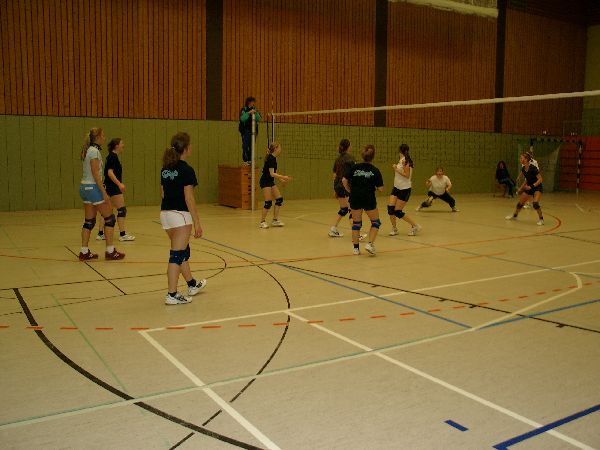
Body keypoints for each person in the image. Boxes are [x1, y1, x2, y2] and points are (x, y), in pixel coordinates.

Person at [160, 132, 207, 305]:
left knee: (182, 251)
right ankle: (172, 295)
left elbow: (163, 193)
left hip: (165, 215)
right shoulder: (187, 170)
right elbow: (189, 198)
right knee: (177, 256)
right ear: (186, 148)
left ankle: (192, 284)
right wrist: (197, 223)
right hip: (180, 216)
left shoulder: (165, 169)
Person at [78, 128, 125, 261]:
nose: (104, 137)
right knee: (109, 218)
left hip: (84, 187)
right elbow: (95, 173)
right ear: (97, 137)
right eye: (102, 135)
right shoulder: (94, 151)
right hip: (93, 188)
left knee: (89, 221)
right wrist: (104, 192)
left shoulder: (88, 150)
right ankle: (110, 251)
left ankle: (84, 251)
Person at [342, 145, 384, 256]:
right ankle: (370, 244)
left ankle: (356, 249)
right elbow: (381, 189)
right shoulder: (375, 170)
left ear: (362, 156)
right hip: (368, 198)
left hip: (355, 197)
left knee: (356, 223)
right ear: (373, 156)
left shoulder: (355, 167)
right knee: (375, 222)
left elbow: (344, 180)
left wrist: (349, 190)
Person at [96, 138, 135, 241]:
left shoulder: (111, 156)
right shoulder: (113, 157)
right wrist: (119, 184)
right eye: (122, 143)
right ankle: (122, 235)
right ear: (116, 146)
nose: (123, 145)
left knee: (107, 210)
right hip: (113, 187)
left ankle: (100, 233)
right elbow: (110, 172)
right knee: (122, 210)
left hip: (108, 186)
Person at [388, 144, 421, 237]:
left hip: (404, 189)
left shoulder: (406, 161)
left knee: (397, 211)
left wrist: (396, 169)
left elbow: (407, 175)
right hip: (396, 187)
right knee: (390, 209)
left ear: (400, 151)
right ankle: (394, 229)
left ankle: (415, 226)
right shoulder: (401, 160)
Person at [505, 152, 545, 225]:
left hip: (537, 187)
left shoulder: (533, 168)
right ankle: (514, 216)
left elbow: (540, 179)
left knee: (535, 204)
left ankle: (541, 219)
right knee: (520, 204)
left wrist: (531, 186)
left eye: (521, 158)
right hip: (529, 188)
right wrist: (521, 188)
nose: (520, 159)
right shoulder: (523, 169)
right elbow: (527, 180)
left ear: (526, 159)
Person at [259, 142, 292, 228]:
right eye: (279, 148)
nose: (281, 149)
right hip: (265, 181)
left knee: (279, 199)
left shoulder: (274, 158)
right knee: (268, 203)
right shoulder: (271, 159)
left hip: (270, 181)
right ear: (275, 149)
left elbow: (274, 172)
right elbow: (272, 174)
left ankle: (275, 220)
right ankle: (262, 222)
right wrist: (283, 177)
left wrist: (281, 180)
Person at [329, 139, 354, 237]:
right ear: (348, 147)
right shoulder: (350, 159)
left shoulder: (338, 159)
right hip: (345, 186)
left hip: (338, 186)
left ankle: (333, 229)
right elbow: (353, 175)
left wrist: (335, 189)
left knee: (344, 209)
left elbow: (334, 175)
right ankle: (356, 233)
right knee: (352, 210)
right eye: (350, 145)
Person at [239, 96, 261, 165]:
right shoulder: (244, 109)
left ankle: (250, 160)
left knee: (252, 146)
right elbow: (242, 119)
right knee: (245, 146)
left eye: (254, 102)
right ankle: (246, 160)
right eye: (252, 102)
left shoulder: (255, 109)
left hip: (253, 131)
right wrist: (248, 113)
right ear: (249, 102)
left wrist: (255, 113)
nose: (253, 103)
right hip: (246, 131)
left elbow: (259, 119)